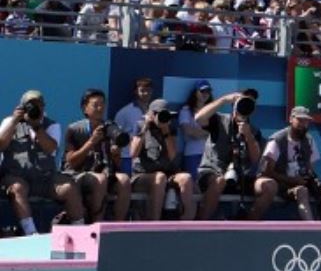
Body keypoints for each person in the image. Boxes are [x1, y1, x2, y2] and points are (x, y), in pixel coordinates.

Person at [2, 90, 81, 231]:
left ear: (43, 107)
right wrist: (15, 121)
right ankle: (31, 232)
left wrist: (37, 127)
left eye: (38, 105)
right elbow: (1, 145)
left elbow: (50, 149)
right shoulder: (10, 121)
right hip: (17, 176)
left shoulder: (51, 125)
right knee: (17, 189)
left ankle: (80, 229)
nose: (34, 108)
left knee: (69, 188)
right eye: (30, 105)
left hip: (45, 179)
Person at [192, 89, 274, 220]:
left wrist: (248, 136)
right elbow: (199, 118)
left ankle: (248, 225)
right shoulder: (219, 120)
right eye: (244, 101)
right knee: (220, 181)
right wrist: (224, 99)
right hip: (213, 173)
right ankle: (200, 226)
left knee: (269, 186)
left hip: (240, 177)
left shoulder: (254, 131)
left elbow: (255, 159)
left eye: (251, 102)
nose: (246, 104)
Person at [256, 106, 321, 221]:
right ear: (291, 119)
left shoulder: (309, 140)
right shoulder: (277, 140)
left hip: (302, 182)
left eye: (306, 121)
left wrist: (309, 178)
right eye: (300, 120)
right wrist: (292, 180)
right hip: (282, 184)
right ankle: (311, 228)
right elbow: (266, 172)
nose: (303, 125)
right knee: (302, 191)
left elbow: (310, 168)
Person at [62, 89, 131, 223]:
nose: (100, 108)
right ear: (85, 108)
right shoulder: (74, 129)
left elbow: (117, 165)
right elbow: (71, 162)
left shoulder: (111, 128)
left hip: (105, 172)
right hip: (79, 173)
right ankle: (96, 224)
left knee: (124, 180)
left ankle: (118, 225)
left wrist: (116, 154)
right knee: (100, 179)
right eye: (95, 105)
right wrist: (91, 142)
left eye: (102, 104)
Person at [131, 97, 197, 220]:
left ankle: (186, 224)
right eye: (161, 115)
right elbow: (133, 153)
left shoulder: (169, 128)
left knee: (186, 178)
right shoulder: (140, 125)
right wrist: (145, 128)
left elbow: (172, 156)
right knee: (159, 177)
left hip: (168, 173)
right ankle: (154, 223)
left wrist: (166, 131)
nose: (165, 119)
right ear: (152, 114)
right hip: (143, 175)